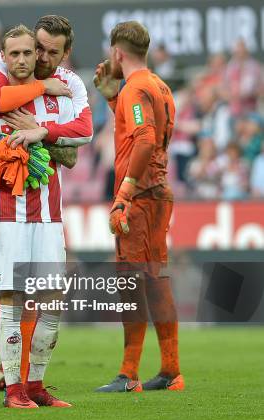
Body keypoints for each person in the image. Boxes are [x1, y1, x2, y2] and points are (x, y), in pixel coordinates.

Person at [0, 15, 93, 408]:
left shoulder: (67, 85)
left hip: (49, 213)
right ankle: (11, 388)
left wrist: (40, 131)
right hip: (5, 212)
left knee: (51, 298)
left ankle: (35, 385)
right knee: (9, 298)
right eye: (28, 50)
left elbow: (85, 130)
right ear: (7, 54)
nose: (36, 57)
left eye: (44, 52)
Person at [93, 20, 183, 392]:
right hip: (160, 192)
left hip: (142, 197)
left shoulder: (136, 89)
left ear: (118, 52)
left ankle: (129, 374)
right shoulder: (158, 85)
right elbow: (151, 134)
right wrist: (112, 99)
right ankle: (170, 371)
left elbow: (144, 140)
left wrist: (125, 194)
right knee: (155, 281)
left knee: (130, 282)